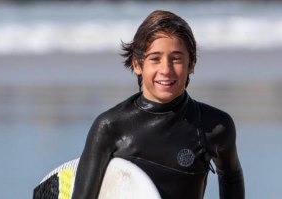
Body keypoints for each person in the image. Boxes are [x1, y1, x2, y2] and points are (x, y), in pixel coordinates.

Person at [72, 10, 245, 199]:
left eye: (176, 59)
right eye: (155, 59)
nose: (166, 70)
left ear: (191, 64)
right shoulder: (110, 126)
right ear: (137, 64)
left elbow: (231, 177)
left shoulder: (215, 125)